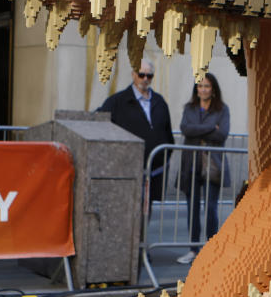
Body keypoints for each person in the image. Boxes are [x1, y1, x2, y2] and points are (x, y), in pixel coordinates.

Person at [98, 60, 173, 207]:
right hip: (127, 170)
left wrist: (165, 156)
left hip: (154, 172)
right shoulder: (118, 101)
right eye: (141, 75)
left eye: (149, 76)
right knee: (129, 211)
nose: (145, 79)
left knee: (146, 214)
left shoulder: (159, 101)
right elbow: (98, 121)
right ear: (133, 75)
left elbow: (167, 132)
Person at [177, 73, 230, 264]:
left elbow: (222, 134)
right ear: (196, 89)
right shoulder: (189, 108)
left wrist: (199, 129)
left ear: (213, 89)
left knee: (210, 208)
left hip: (212, 164)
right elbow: (185, 129)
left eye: (207, 86)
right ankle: (193, 249)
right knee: (192, 208)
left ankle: (211, 248)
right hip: (191, 164)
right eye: (200, 86)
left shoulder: (222, 109)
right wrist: (210, 127)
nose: (203, 90)